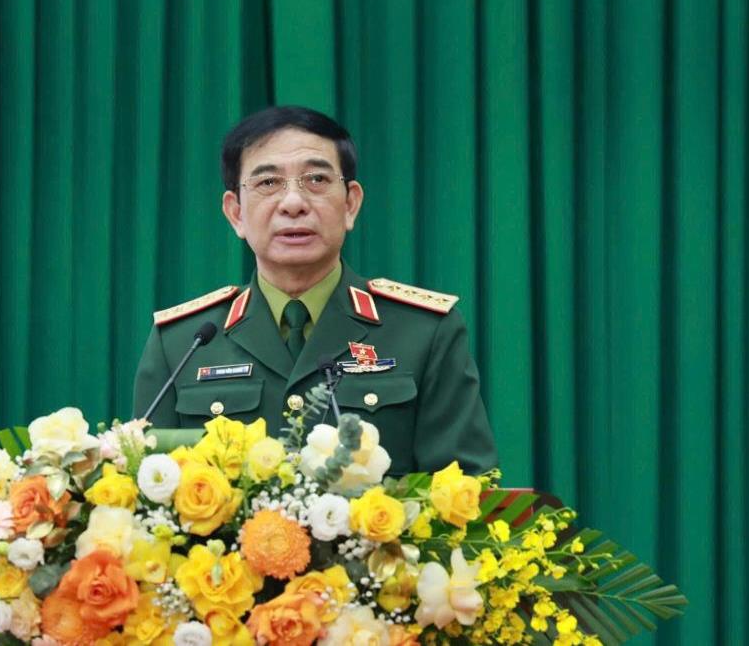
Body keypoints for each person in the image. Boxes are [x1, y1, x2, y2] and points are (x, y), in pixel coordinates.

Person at [132, 106, 497, 474]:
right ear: (236, 213)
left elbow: (468, 488)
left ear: (351, 204)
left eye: (317, 179)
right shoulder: (182, 343)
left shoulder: (424, 332)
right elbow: (147, 484)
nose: (293, 203)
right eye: (268, 183)